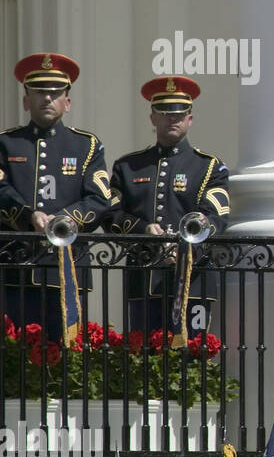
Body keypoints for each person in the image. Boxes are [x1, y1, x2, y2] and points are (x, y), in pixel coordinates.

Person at [102, 76, 231, 335]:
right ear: (153, 118)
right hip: (143, 276)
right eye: (165, 113)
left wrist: (187, 244)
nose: (173, 119)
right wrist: (144, 231)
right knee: (144, 358)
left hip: (194, 278)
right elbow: (111, 215)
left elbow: (217, 218)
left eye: (179, 114)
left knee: (193, 358)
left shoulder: (209, 167)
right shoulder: (128, 167)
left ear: (189, 119)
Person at [0, 53, 112, 335]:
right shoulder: (6, 143)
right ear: (26, 100)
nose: (47, 99)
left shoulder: (87, 146)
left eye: (55, 93)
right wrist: (29, 215)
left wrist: (62, 221)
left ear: (67, 101)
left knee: (67, 353)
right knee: (13, 356)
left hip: (68, 267)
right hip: (15, 268)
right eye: (39, 92)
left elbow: (99, 199)